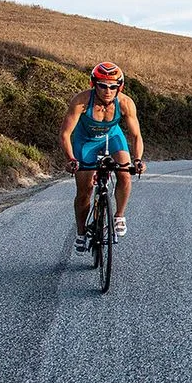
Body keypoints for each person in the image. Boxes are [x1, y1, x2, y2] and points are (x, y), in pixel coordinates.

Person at [60, 62, 146, 253]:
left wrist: (138, 159)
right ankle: (81, 233)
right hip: (86, 140)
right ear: (94, 84)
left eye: (113, 86)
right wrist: (71, 159)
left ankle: (119, 216)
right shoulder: (81, 101)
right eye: (103, 85)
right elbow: (65, 134)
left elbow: (136, 136)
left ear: (119, 87)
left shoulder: (125, 103)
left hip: (112, 137)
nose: (108, 91)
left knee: (125, 174)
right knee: (85, 191)